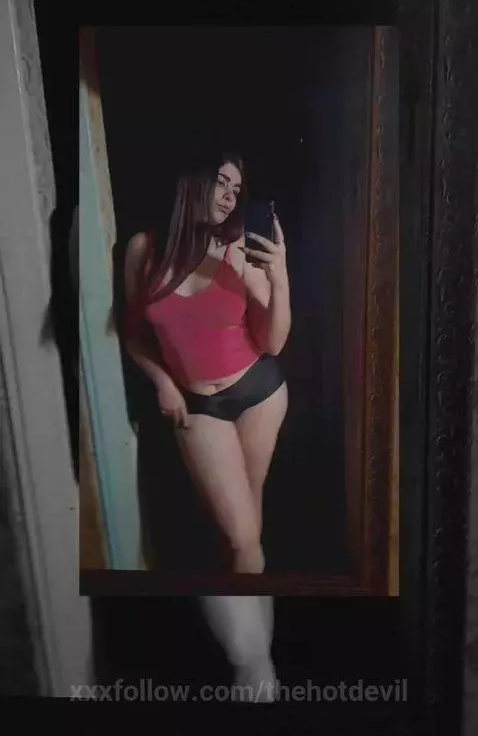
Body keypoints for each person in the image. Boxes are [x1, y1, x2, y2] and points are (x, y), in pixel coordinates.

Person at [123, 153, 291, 699]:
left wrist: (279, 277)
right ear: (192, 181)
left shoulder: (236, 247)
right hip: (196, 404)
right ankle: (256, 665)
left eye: (236, 189)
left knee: (244, 536)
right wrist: (162, 382)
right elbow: (132, 333)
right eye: (220, 182)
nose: (228, 196)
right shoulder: (144, 250)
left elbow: (273, 341)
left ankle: (253, 668)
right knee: (240, 536)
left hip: (258, 393)